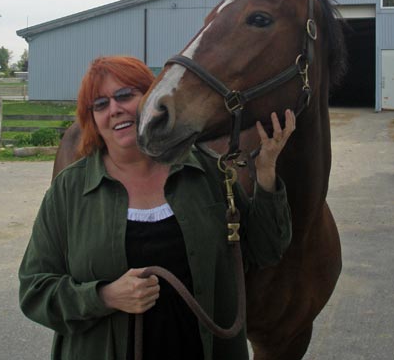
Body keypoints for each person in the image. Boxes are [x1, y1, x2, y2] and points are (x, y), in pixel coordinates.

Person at [19, 55, 295, 360]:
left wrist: (266, 173)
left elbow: (266, 248)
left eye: (125, 95)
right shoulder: (69, 191)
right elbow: (35, 290)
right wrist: (103, 296)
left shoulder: (205, 172)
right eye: (100, 104)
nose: (114, 109)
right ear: (93, 119)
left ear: (151, 97)